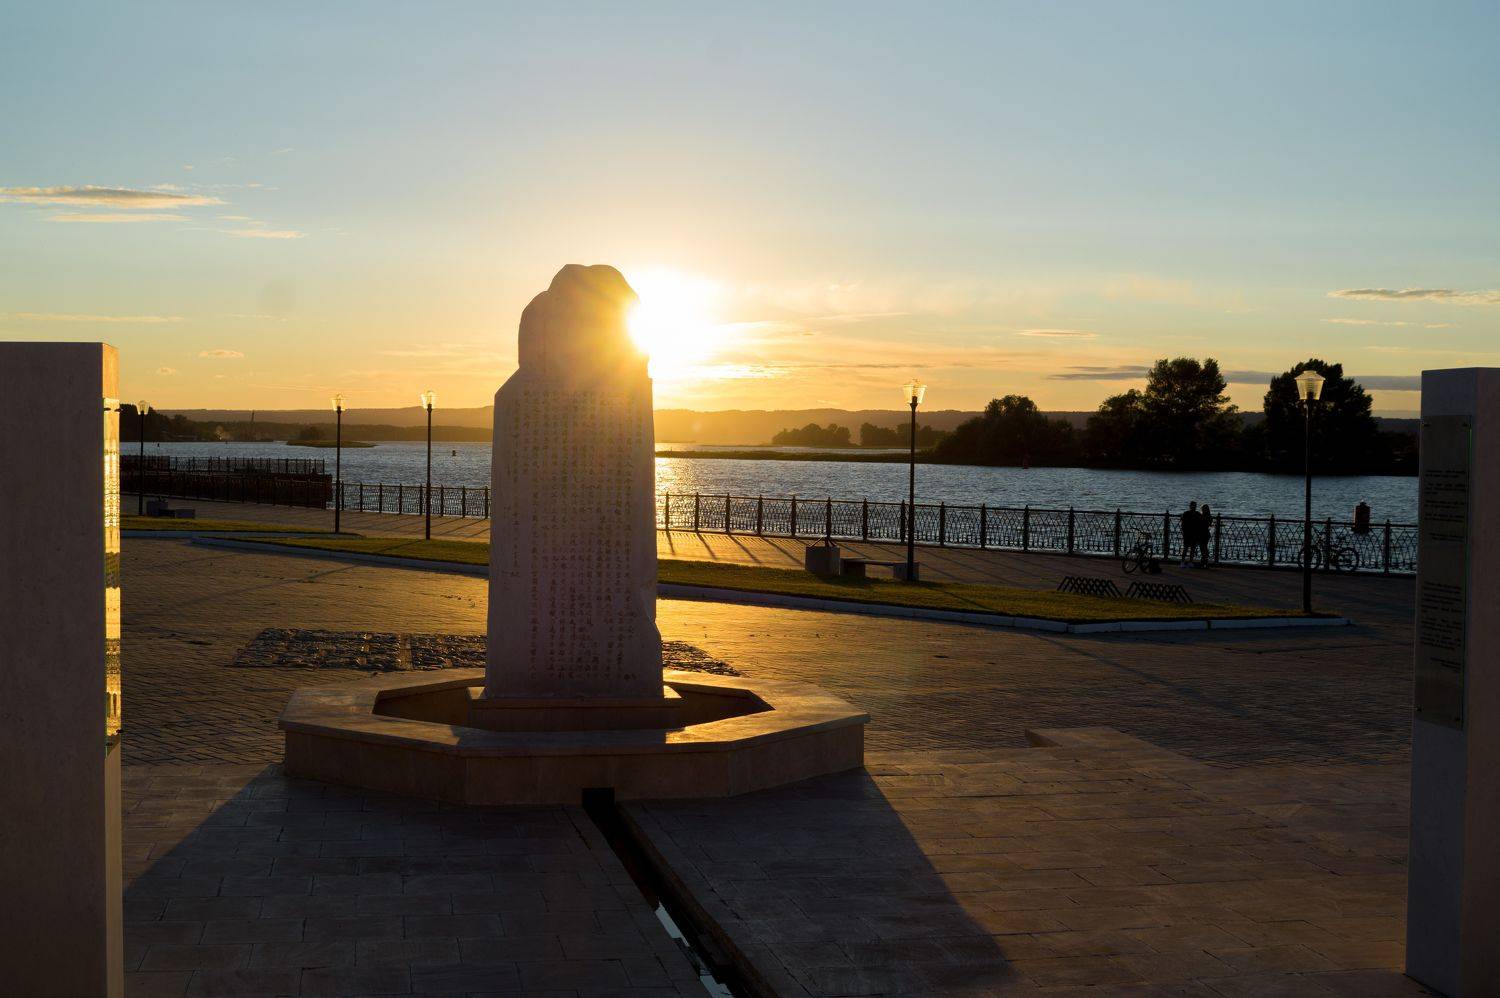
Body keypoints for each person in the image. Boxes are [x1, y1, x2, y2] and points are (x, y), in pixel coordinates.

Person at [1179, 502, 1199, 568]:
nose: (1194, 507)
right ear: (1190, 506)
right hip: (1187, 534)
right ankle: (1182, 562)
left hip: (1194, 534)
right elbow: (1183, 523)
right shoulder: (1186, 513)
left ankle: (1190, 562)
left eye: (1195, 506)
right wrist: (1184, 532)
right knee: (1186, 548)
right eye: (1192, 506)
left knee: (1192, 549)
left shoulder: (1197, 514)